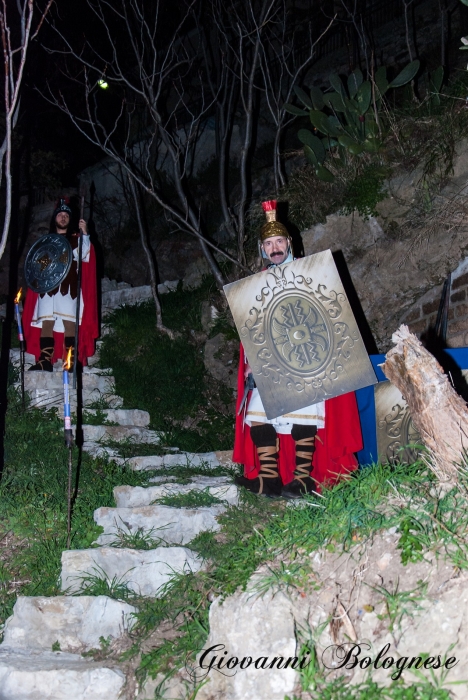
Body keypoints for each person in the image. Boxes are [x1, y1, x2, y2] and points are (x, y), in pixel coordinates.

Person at [233, 200, 363, 499]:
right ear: (262, 249)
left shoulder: (313, 275)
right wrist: (251, 361)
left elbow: (330, 317)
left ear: (289, 243)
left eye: (280, 241)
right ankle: (269, 479)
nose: (275, 247)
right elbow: (254, 328)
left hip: (308, 358)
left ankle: (302, 479)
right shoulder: (256, 286)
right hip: (270, 361)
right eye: (269, 243)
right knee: (259, 415)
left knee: (304, 415)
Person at [23, 197, 99, 371]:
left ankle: (70, 361)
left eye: (66, 215)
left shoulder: (76, 239)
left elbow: (86, 255)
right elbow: (36, 266)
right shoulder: (46, 242)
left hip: (68, 289)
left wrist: (85, 233)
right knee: (46, 323)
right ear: (55, 218)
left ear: (70, 219)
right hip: (47, 289)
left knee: (69, 323)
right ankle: (44, 361)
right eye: (60, 215)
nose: (63, 217)